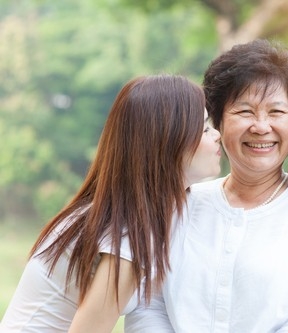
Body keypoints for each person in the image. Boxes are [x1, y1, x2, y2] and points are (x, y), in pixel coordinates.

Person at [125, 39, 288, 332]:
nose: (261, 127)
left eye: (276, 112)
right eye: (245, 111)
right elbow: (147, 305)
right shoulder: (181, 203)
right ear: (216, 121)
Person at [0, 74, 221, 332]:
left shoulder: (122, 215)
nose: (217, 135)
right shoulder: (129, 233)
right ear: (169, 143)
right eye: (205, 129)